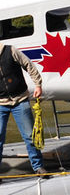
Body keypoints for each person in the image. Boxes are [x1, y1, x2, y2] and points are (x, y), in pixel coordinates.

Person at [0, 43, 45, 175]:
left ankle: (38, 166)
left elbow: (28, 65)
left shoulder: (10, 50)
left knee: (30, 135)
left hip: (20, 99)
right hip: (1, 103)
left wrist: (38, 84)